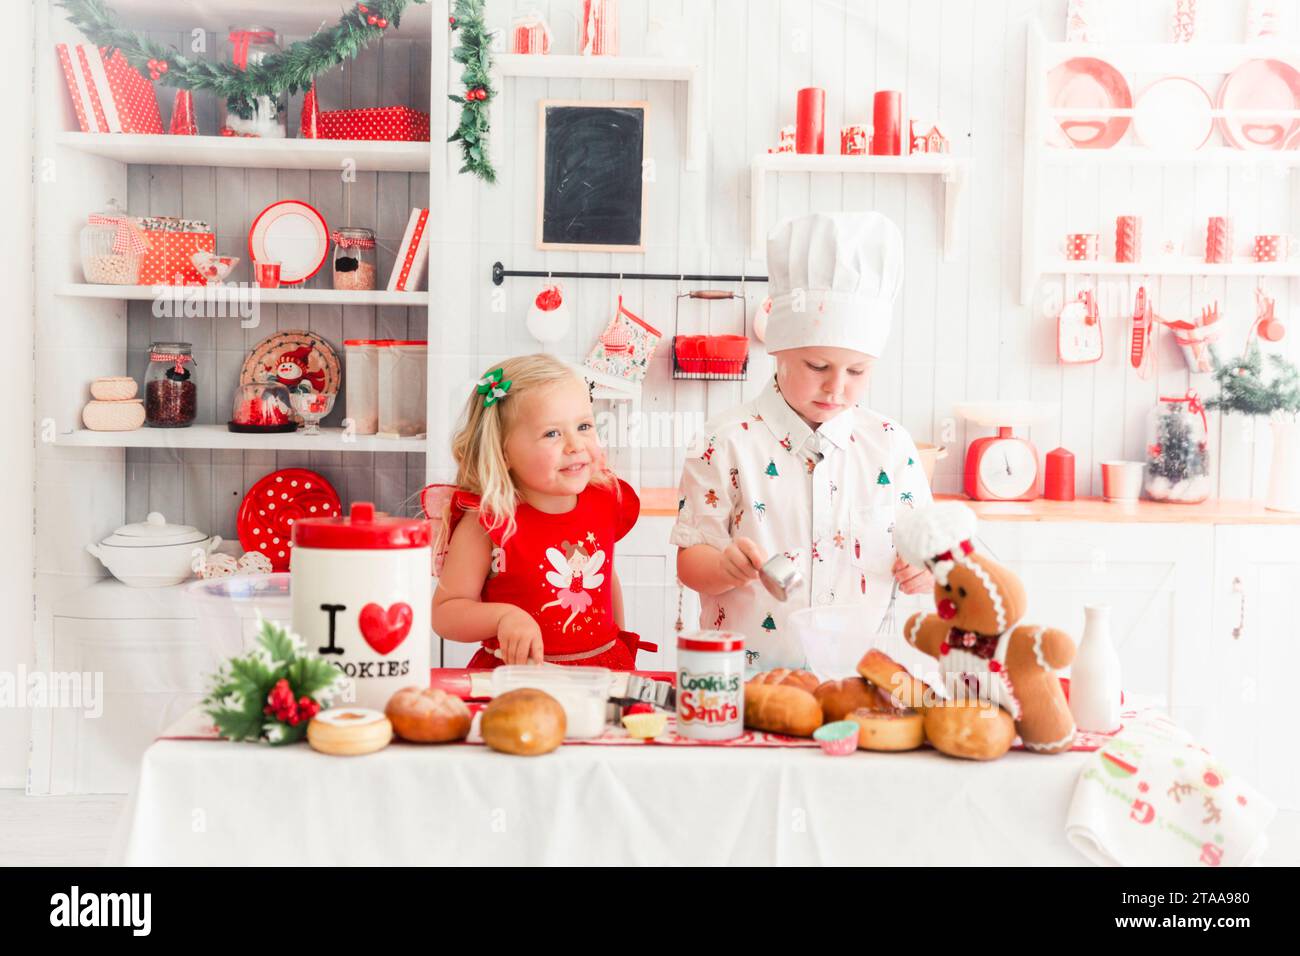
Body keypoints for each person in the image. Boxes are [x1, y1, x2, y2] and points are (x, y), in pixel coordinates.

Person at [672, 212, 934, 673]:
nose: (837, 388)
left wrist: (926, 571)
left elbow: (932, 552)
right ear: (779, 352)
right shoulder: (723, 441)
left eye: (857, 372)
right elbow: (690, 562)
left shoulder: (891, 447)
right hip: (744, 681)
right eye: (817, 366)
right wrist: (724, 568)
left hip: (856, 679)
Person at [431, 354, 643, 669]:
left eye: (583, 425)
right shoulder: (489, 520)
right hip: (519, 679)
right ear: (504, 452)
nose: (575, 445)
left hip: (602, 671)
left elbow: (604, 576)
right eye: (552, 434)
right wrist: (504, 617)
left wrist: (619, 644)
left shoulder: (604, 498)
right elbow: (445, 612)